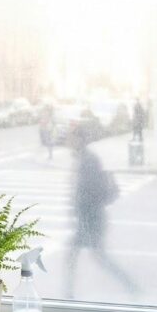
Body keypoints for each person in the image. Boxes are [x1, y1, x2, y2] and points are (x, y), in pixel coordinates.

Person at [63, 128, 139, 299]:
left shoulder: (88, 160)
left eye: (72, 138)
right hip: (88, 218)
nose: (68, 142)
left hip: (92, 219)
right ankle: (68, 294)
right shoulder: (84, 158)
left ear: (79, 141)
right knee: (81, 256)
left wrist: (79, 211)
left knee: (98, 258)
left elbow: (89, 192)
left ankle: (131, 286)